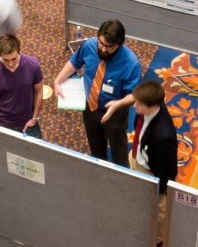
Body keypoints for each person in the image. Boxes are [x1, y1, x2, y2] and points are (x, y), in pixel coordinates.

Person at [53, 19, 141, 167]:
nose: (104, 49)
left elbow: (134, 94)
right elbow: (75, 61)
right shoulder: (90, 45)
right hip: (91, 107)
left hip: (115, 113)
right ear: (98, 36)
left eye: (110, 47)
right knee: (96, 150)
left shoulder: (131, 63)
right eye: (101, 43)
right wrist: (57, 81)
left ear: (119, 44)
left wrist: (118, 104)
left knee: (119, 154)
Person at [130, 80, 177, 244]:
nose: (134, 106)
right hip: (139, 155)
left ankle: (158, 239)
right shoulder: (146, 112)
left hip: (152, 171)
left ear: (153, 106)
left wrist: (160, 189)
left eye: (139, 103)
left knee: (158, 208)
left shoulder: (164, 135)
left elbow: (168, 170)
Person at [0, 33, 43, 137]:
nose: (10, 64)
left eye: (14, 59)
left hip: (28, 121)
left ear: (19, 51)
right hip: (4, 123)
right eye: (6, 60)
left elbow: (39, 91)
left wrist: (35, 118)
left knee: (37, 152)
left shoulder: (33, 65)